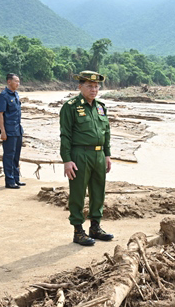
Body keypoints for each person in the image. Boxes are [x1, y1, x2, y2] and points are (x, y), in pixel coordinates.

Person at [59, 70, 114, 246]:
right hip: (79, 154)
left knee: (98, 191)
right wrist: (67, 160)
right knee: (78, 192)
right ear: (80, 86)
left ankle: (95, 227)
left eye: (96, 86)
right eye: (89, 86)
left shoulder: (101, 107)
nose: (94, 90)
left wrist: (107, 154)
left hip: (99, 155)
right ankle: (78, 231)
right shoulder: (71, 106)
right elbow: (65, 135)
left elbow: (106, 132)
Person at [0, 73, 26, 189]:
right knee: (9, 155)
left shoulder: (16, 95)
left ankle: (16, 178)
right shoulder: (3, 96)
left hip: (18, 129)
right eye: (16, 81)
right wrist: (3, 131)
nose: (18, 84)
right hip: (9, 130)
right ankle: (9, 181)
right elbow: (0, 114)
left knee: (16, 155)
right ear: (9, 81)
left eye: (19, 81)